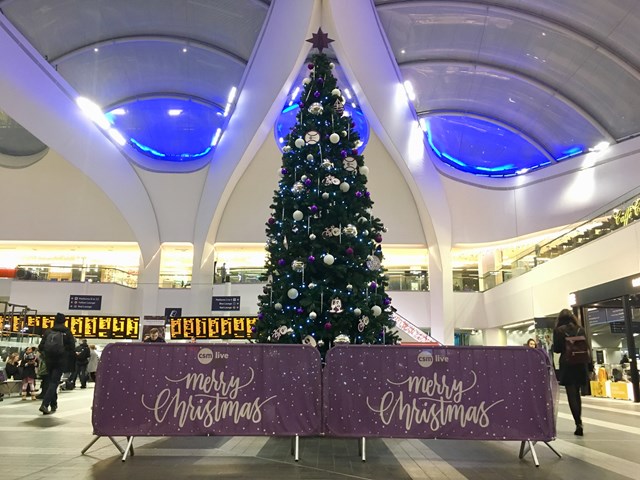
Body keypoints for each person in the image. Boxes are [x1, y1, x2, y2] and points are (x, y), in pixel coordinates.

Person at [553, 308, 590, 436]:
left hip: (567, 364)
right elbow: (587, 347)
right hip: (580, 363)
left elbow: (557, 349)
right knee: (578, 393)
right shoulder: (580, 329)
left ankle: (578, 422)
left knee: (571, 394)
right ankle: (579, 421)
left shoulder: (558, 331)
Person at [38, 313, 75, 415]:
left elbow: (41, 346)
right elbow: (72, 346)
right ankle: (45, 404)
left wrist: (46, 355)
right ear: (64, 321)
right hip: (60, 361)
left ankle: (53, 404)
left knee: (51, 382)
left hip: (49, 361)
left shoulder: (48, 331)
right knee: (54, 382)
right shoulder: (67, 332)